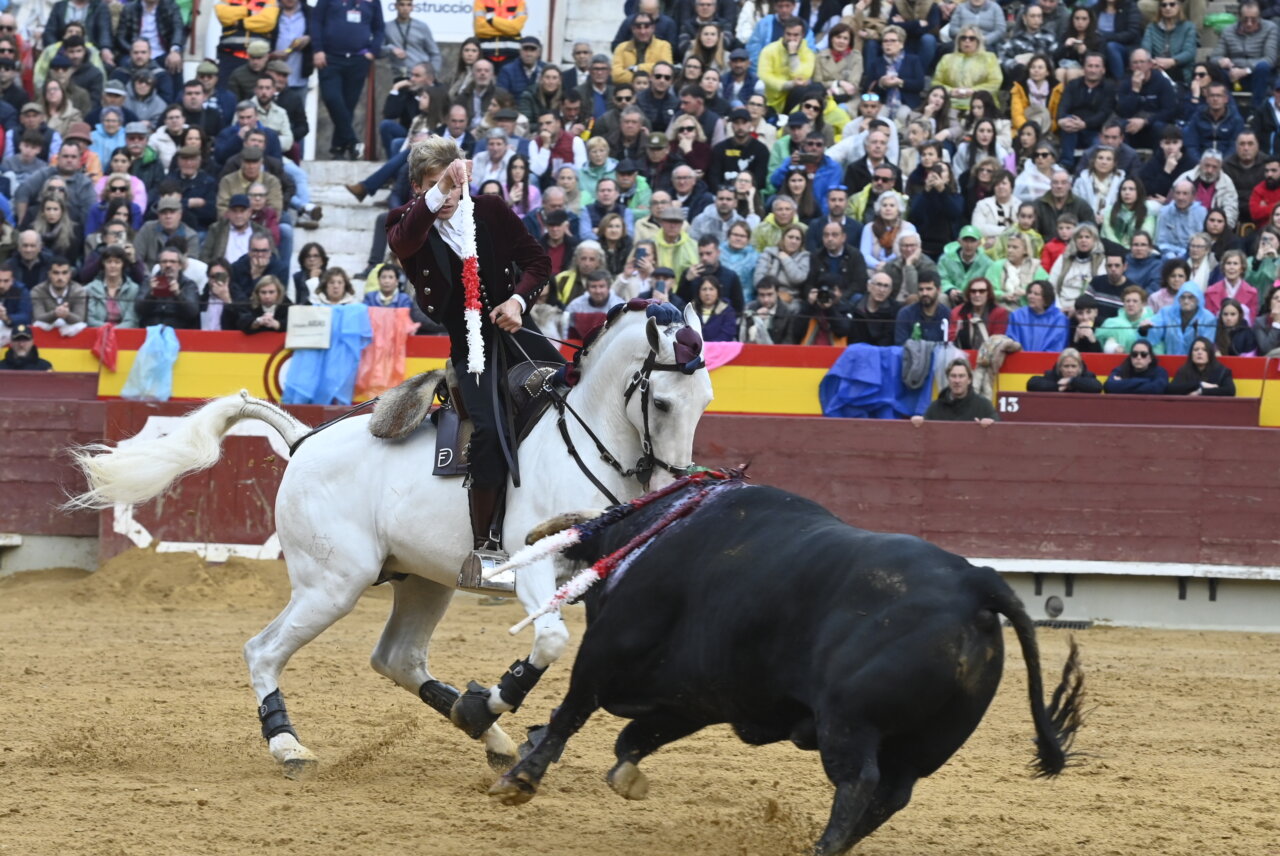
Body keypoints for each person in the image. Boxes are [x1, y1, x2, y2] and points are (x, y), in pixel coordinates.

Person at [385, 139, 564, 572]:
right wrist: (445, 181)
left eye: (451, 186)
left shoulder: (491, 211)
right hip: (470, 347)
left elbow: (538, 263)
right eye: (434, 186)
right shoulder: (404, 222)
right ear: (417, 188)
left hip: (518, 332)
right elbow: (406, 241)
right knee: (489, 429)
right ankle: (485, 547)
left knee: (569, 394)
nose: (445, 197)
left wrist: (518, 302)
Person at [312, 0, 384, 159]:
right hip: (330, 58)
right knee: (332, 98)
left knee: (348, 106)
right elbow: (316, 21)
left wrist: (373, 51)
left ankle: (338, 149)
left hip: (358, 60)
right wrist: (317, 50)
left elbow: (379, 28)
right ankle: (352, 141)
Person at [910, 358, 998, 425]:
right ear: (948, 379)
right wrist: (918, 423)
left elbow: (1000, 430)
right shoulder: (935, 408)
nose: (957, 380)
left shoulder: (984, 406)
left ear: (969, 379)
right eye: (953, 376)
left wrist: (991, 424)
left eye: (961, 376)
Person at [1146, 281, 1216, 356]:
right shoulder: (1166, 312)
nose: (1186, 301)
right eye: (1182, 297)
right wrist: (1146, 328)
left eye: (1191, 297)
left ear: (1198, 299)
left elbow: (1207, 345)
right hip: (1170, 360)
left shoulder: (1208, 318)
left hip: (1196, 363)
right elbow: (1154, 330)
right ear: (1178, 299)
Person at [1007, 280, 1068, 352]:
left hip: (1048, 361)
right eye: (1030, 293)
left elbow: (1057, 347)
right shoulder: (1017, 315)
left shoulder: (1059, 318)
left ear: (1046, 298)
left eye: (1036, 294)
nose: (1031, 296)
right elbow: (1011, 341)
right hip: (1020, 360)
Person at [948, 277, 1006, 350]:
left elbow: (998, 342)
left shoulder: (999, 313)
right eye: (973, 291)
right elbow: (952, 339)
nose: (977, 294)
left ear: (988, 294)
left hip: (989, 356)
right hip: (962, 354)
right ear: (969, 293)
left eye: (982, 291)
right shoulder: (957, 311)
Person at [1168, 336, 1235, 396]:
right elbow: (1170, 389)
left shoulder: (1222, 371)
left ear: (1210, 354)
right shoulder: (1184, 370)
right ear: (1191, 354)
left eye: (1204, 350)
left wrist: (1201, 391)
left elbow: (1230, 391)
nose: (1199, 352)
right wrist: (1199, 384)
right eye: (1196, 350)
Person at [893, 271, 946, 344]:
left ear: (938, 290)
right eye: (921, 289)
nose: (924, 293)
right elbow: (900, 345)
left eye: (929, 289)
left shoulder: (947, 314)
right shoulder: (905, 314)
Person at [1104, 340, 1168, 393]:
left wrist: (1122, 384)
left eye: (1143, 354)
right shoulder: (1120, 370)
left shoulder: (1159, 372)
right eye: (1134, 354)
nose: (1138, 357)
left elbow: (1157, 389)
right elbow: (1109, 386)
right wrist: (1147, 381)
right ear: (1131, 357)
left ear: (1150, 358)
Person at [1026, 348, 1102, 393]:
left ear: (1079, 367)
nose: (1070, 370)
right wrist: (1057, 386)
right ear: (1060, 367)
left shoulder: (1087, 376)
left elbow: (1097, 387)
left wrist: (1071, 381)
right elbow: (1032, 384)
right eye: (1066, 366)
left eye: (1073, 366)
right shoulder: (1052, 375)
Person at [1253, 288, 1280, 353]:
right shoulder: (1260, 322)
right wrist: (1277, 322)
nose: (1279, 300)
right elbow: (1266, 349)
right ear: (1269, 303)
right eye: (1276, 298)